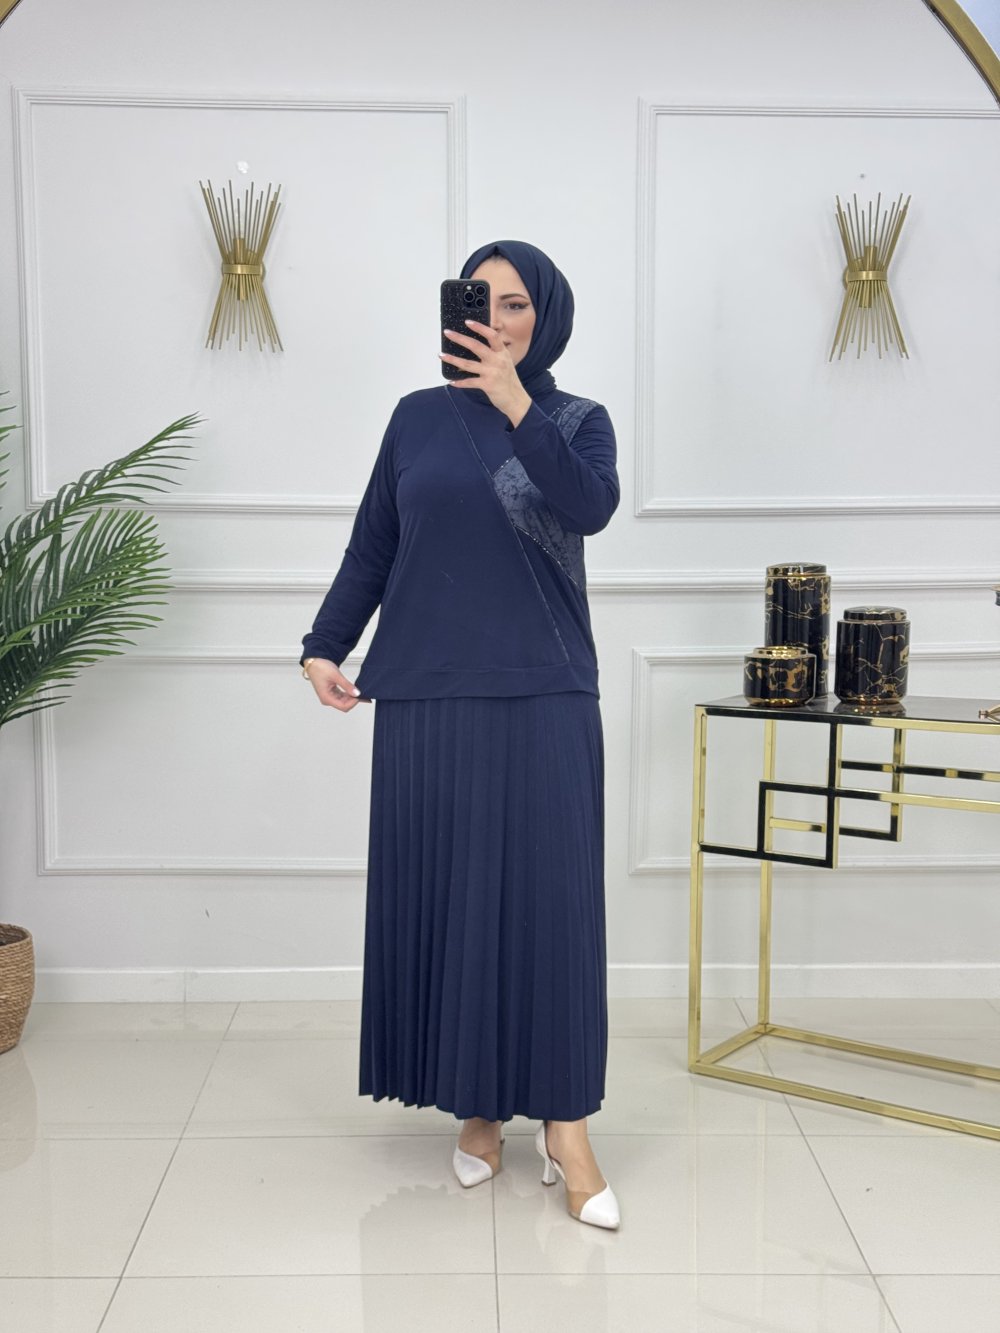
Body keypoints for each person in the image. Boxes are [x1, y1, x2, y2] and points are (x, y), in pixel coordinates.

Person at [300, 239, 621, 1229]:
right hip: (426, 698)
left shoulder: (576, 420)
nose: (498, 317)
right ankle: (477, 1107)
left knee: (551, 917)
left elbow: (591, 507)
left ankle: (566, 1126)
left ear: (546, 315)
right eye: (482, 299)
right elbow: (376, 540)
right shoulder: (416, 417)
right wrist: (325, 643)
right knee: (453, 909)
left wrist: (517, 402)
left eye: (517, 302)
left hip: (545, 694)